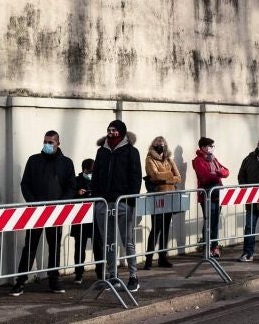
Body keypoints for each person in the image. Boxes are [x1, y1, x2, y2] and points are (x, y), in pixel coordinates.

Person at [12, 130, 76, 295]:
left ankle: (54, 280)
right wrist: (33, 202)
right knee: (30, 246)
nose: (47, 145)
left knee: (54, 246)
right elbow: (25, 183)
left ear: (57, 143)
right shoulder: (34, 161)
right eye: (45, 141)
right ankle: (20, 281)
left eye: (50, 142)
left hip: (55, 212)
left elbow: (71, 185)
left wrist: (61, 203)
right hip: (36, 211)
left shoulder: (66, 163)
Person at [92, 120, 144, 292]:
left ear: (121, 132)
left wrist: (130, 200)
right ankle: (112, 276)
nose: (111, 132)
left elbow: (136, 177)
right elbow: (96, 176)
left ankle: (133, 277)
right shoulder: (102, 152)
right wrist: (97, 198)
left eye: (114, 130)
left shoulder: (131, 152)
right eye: (109, 130)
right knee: (109, 243)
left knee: (127, 241)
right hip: (104, 203)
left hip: (124, 203)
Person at [144, 136, 182, 268]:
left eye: (163, 144)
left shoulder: (169, 160)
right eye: (158, 144)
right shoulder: (149, 159)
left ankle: (162, 257)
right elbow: (154, 176)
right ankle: (148, 259)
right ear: (153, 145)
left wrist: (166, 178)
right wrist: (170, 175)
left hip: (170, 197)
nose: (161, 146)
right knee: (156, 228)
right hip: (157, 197)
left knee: (165, 228)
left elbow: (178, 178)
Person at [192, 137, 229, 259]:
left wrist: (218, 173)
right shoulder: (198, 160)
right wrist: (218, 173)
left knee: (215, 222)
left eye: (213, 146)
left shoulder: (214, 159)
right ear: (203, 147)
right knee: (208, 221)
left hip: (217, 194)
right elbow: (205, 176)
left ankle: (215, 246)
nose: (212, 148)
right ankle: (206, 247)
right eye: (210, 146)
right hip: (206, 195)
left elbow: (226, 172)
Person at [71, 158, 96, 284]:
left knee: (98, 246)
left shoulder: (97, 180)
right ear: (84, 169)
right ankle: (79, 274)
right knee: (79, 247)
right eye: (89, 170)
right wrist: (78, 193)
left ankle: (100, 272)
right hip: (80, 219)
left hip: (94, 218)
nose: (91, 173)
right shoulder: (77, 180)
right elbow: (71, 194)